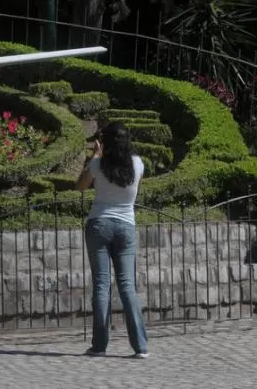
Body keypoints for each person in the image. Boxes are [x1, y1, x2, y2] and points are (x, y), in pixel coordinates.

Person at [75, 121, 149, 358]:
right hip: (126, 225)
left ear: (105, 142)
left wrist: (96, 154)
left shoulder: (98, 164)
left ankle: (99, 346)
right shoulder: (137, 164)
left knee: (101, 286)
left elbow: (80, 186)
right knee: (127, 286)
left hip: (99, 224)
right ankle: (140, 346)